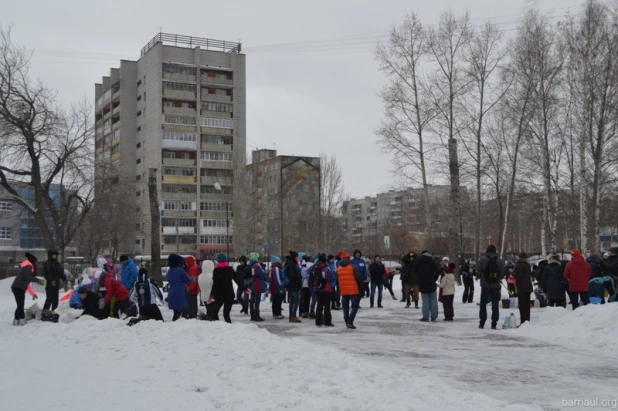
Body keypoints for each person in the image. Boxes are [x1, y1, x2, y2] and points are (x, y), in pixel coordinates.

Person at [210, 253, 246, 323]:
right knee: (226, 314)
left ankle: (217, 327)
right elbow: (237, 280)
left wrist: (211, 295)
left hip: (219, 296)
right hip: (229, 295)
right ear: (225, 260)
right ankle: (229, 328)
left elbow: (215, 285)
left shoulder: (216, 271)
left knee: (214, 313)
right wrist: (244, 288)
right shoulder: (229, 269)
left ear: (218, 261)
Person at [477, 244, 505, 330]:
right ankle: (494, 323)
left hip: (485, 285)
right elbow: (503, 273)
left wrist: (481, 277)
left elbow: (478, 272)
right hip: (496, 286)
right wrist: (497, 279)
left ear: (487, 251)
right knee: (495, 305)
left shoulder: (482, 259)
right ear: (495, 251)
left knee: (483, 304)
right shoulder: (499, 260)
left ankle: (482, 322)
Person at [11, 252, 41, 325]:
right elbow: (27, 277)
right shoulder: (29, 266)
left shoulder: (25, 267)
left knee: (20, 304)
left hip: (17, 287)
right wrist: (37, 280)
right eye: (36, 263)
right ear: (33, 262)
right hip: (18, 287)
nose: (36, 265)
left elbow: (27, 284)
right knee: (21, 304)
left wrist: (33, 294)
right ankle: (22, 320)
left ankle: (16, 320)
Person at [337, 252, 362, 329]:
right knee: (355, 306)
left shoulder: (338, 268)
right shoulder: (353, 267)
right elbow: (359, 278)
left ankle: (346, 320)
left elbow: (337, 279)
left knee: (345, 307)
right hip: (353, 290)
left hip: (344, 290)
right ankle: (350, 321)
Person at [414, 250, 441, 322]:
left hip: (422, 283)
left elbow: (415, 272)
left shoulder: (418, 261)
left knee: (425, 301)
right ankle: (434, 316)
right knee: (433, 300)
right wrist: (434, 279)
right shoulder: (432, 261)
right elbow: (437, 271)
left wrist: (419, 280)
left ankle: (425, 317)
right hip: (431, 283)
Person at [166, 253, 195, 321]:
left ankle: (175, 324)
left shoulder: (169, 271)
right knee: (179, 312)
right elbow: (187, 280)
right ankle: (175, 325)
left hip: (171, 292)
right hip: (179, 293)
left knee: (176, 312)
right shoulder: (180, 270)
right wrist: (192, 278)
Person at [313, 254, 335, 327]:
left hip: (318, 289)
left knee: (319, 306)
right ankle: (327, 322)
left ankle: (318, 322)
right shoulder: (326, 269)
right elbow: (330, 278)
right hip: (326, 289)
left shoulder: (315, 267)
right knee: (327, 306)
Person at [513, 252, 532, 324]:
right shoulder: (528, 265)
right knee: (527, 306)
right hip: (528, 287)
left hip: (522, 287)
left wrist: (513, 273)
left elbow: (518, 276)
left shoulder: (519, 265)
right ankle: (527, 321)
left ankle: (523, 321)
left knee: (522, 306)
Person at [284, 251, 302, 323]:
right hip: (294, 284)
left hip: (291, 284)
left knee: (292, 301)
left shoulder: (289, 263)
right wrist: (299, 277)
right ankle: (293, 316)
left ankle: (291, 315)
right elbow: (293, 275)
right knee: (296, 300)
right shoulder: (291, 264)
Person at [248, 252, 266, 322]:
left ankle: (252, 315)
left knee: (252, 301)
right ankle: (256, 315)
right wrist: (263, 268)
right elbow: (261, 274)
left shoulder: (251, 265)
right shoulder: (256, 265)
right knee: (257, 301)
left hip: (252, 285)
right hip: (257, 285)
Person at [269, 255, 287, 320]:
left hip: (274, 287)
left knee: (276, 300)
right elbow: (278, 279)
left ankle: (276, 313)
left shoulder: (274, 268)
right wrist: (281, 287)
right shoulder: (276, 269)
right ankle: (277, 313)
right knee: (278, 300)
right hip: (277, 288)